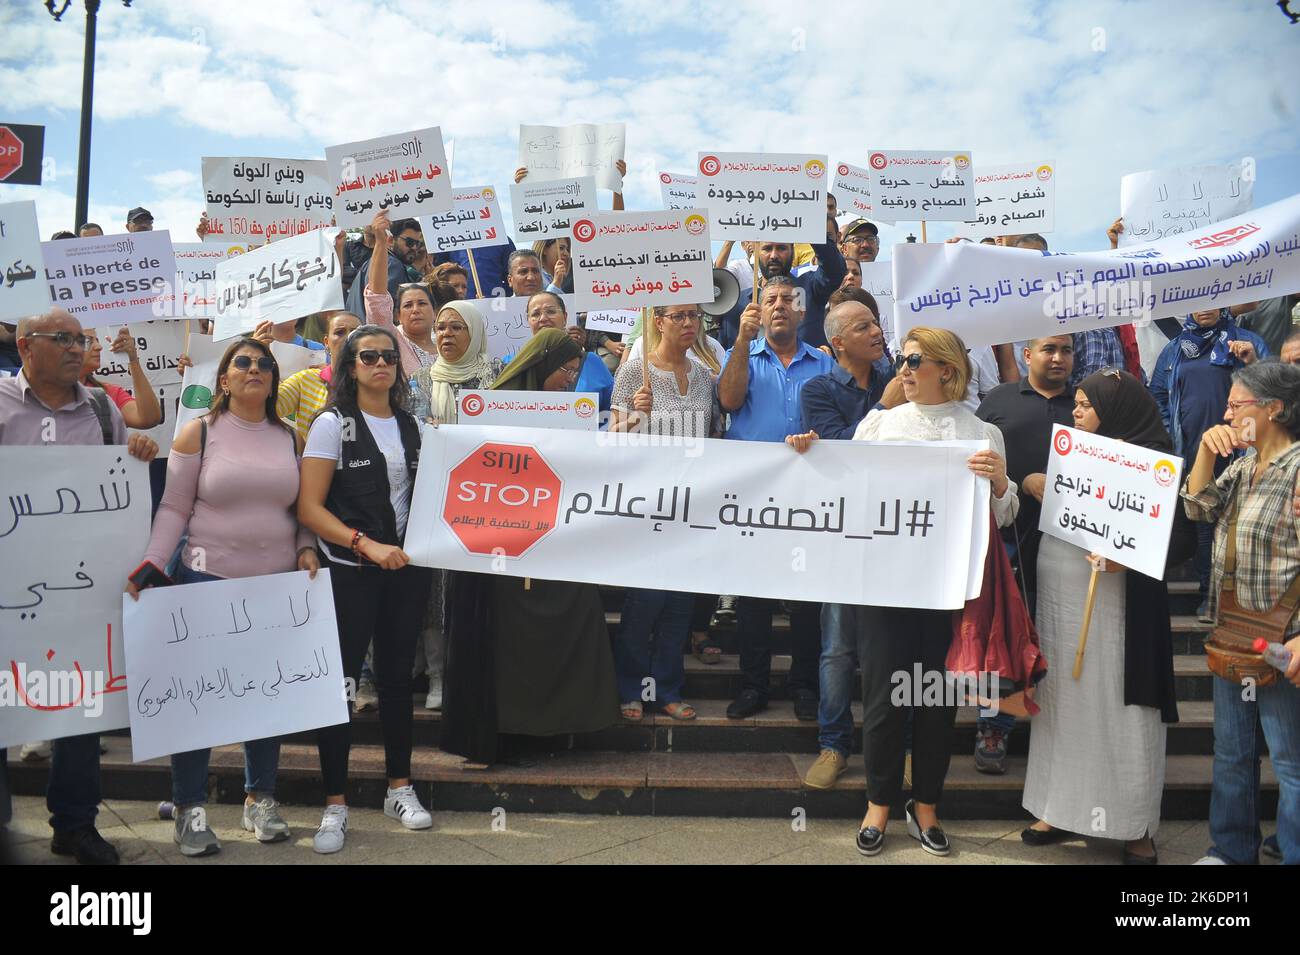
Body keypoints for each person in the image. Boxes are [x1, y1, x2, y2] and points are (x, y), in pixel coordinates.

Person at [128, 337, 317, 856]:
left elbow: (303, 509)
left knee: (267, 699)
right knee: (198, 703)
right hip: (206, 584)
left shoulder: (290, 437)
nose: (254, 369)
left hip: (275, 589)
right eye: (243, 363)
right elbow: (172, 509)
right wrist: (151, 562)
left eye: (264, 364)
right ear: (225, 379)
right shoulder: (199, 434)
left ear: (274, 378)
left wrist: (305, 550)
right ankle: (189, 809)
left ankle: (260, 799)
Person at [0, 308, 159, 865]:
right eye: (62, 339)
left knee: (80, 708)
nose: (75, 348)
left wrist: (136, 451)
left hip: (78, 595)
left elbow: (122, 477)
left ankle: (75, 824)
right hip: (10, 592)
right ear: (25, 347)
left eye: (80, 340)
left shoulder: (99, 407)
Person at [850, 326, 1017, 857]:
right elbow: (844, 492)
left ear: (947, 368)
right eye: (900, 358)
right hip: (885, 587)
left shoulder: (983, 433)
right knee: (882, 701)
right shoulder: (879, 425)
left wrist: (1000, 485)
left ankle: (925, 806)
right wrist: (806, 451)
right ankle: (878, 801)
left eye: (914, 359)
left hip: (950, 593)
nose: (902, 367)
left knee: (937, 702)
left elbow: (1005, 517)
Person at [1021, 369, 1189, 865]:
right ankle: (1058, 808)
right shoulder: (1073, 453)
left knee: (1122, 709)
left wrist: (1130, 557)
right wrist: (1033, 481)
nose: (1074, 412)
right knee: (1064, 702)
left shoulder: (1153, 464)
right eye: (1074, 403)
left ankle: (1133, 827)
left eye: (1084, 405)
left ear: (1115, 412)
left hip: (1121, 612)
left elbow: (1180, 539)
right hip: (1061, 598)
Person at [441, 329, 619, 765]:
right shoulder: (491, 406)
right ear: (539, 366)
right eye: (565, 370)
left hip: (556, 542)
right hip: (498, 550)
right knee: (506, 644)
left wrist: (618, 430)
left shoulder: (574, 413)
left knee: (571, 621)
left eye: (577, 372)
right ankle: (503, 731)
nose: (571, 380)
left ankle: (556, 726)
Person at [298, 324, 435, 853]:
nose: (380, 364)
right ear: (350, 367)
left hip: (403, 569)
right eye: (368, 356)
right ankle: (334, 804)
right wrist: (364, 545)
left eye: (388, 357)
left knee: (399, 680)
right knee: (343, 682)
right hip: (349, 569)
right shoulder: (331, 424)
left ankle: (399, 787)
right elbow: (309, 507)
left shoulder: (414, 426)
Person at [1180, 361, 1300, 864]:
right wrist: (1206, 449)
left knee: (1291, 762)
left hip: (1283, 638)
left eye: (1236, 404)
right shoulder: (1244, 465)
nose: (1227, 414)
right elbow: (1196, 506)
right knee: (1232, 753)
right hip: (1235, 633)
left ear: (1273, 409)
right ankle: (1231, 851)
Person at [717, 276, 833, 721]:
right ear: (758, 311)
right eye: (771, 300)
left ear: (803, 313)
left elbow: (838, 423)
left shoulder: (824, 366)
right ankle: (754, 685)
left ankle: (804, 685)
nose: (781, 306)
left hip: (809, 497)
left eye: (789, 300)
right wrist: (743, 344)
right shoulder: (740, 355)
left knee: (806, 599)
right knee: (754, 598)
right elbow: (728, 401)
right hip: (755, 495)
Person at [797, 299, 893, 789]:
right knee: (837, 648)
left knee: (893, 649)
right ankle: (834, 744)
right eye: (863, 326)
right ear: (838, 343)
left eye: (876, 323)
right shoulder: (818, 389)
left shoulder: (899, 378)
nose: (877, 332)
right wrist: (887, 406)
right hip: (841, 530)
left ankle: (897, 744)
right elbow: (842, 448)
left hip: (897, 531)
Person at [608, 305, 720, 721]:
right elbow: (610, 439)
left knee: (679, 605)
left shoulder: (704, 376)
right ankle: (633, 689)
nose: (689, 324)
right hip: (647, 503)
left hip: (691, 504)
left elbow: (713, 436)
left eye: (694, 316)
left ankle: (668, 689)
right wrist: (636, 415)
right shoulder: (635, 373)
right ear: (658, 321)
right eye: (679, 316)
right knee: (645, 601)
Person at [971, 336, 1075, 773]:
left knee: (1063, 635)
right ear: (1027, 355)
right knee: (1007, 634)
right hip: (1010, 535)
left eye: (1066, 350)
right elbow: (972, 459)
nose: (1058, 358)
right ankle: (995, 727)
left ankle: (1066, 733)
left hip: (1073, 543)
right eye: (1049, 349)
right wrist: (1021, 480)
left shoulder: (1087, 401)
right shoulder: (998, 400)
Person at [1151, 308, 1269, 619]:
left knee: (1240, 523)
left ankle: (1240, 601)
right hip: (1194, 453)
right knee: (1203, 524)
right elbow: (1158, 396)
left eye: (1214, 300)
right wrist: (1173, 433)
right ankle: (1209, 595)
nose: (1206, 308)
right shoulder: (1175, 350)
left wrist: (1252, 363)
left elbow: (1276, 392)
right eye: (1199, 301)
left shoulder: (1247, 342)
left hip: (1243, 454)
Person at [714, 232, 847, 350]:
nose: (774, 255)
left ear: (792, 251)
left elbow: (834, 268)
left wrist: (811, 227)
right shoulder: (736, 303)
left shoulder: (810, 288)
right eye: (767, 248)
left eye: (781, 248)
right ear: (756, 251)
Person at [504, 291, 614, 411]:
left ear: (565, 317)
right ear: (528, 321)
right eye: (535, 314)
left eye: (551, 312)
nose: (543, 319)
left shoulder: (591, 362)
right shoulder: (512, 363)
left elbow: (612, 411)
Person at [362, 213, 442, 375]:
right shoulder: (392, 342)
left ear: (435, 312)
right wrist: (381, 242)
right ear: (397, 315)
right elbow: (377, 299)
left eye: (422, 303)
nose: (415, 310)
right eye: (407, 305)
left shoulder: (449, 347)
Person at [410, 301, 504, 424]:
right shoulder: (420, 379)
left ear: (474, 333)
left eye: (456, 327)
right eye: (441, 328)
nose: (446, 333)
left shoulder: (497, 375)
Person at [276, 311, 361, 441]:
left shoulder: (376, 381)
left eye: (355, 333)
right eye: (339, 332)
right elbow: (266, 408)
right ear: (326, 342)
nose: (348, 337)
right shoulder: (305, 380)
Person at [82, 327, 163, 430]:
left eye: (96, 341)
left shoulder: (106, 395)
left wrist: (132, 359)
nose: (99, 347)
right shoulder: (56, 395)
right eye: (87, 341)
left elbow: (149, 419)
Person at [344, 215, 424, 315]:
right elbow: (385, 311)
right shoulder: (392, 264)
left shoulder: (375, 263)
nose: (415, 248)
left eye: (418, 244)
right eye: (410, 242)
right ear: (390, 240)